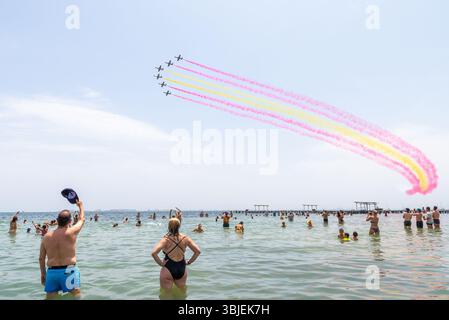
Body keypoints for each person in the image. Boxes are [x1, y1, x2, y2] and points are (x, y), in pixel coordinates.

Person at [39, 200, 85, 299]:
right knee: (75, 296)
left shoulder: (46, 236)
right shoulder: (71, 232)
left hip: (52, 272)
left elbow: (41, 259)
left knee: (50, 298)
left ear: (57, 220)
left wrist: (43, 274)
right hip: (69, 270)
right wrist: (80, 206)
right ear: (70, 221)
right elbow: (81, 219)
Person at [151, 218, 201, 292]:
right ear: (179, 226)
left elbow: (154, 253)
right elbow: (197, 251)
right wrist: (189, 262)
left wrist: (161, 264)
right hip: (182, 268)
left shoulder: (165, 239)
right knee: (181, 294)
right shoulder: (185, 238)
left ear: (168, 226)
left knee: (166, 295)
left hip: (168, 268)